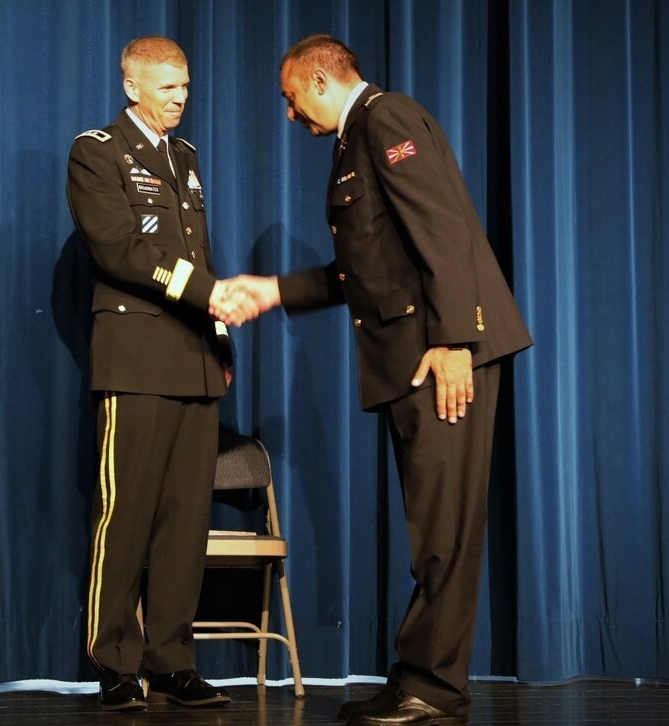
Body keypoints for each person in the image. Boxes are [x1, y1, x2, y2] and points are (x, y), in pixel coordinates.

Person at [222, 35, 532, 725]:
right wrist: (272, 289)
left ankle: (434, 689)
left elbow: (444, 229)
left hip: (442, 353)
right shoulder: (353, 138)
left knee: (444, 529)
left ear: (322, 78)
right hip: (419, 353)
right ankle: (419, 677)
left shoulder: (386, 119)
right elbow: (371, 266)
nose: (290, 112)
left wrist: (454, 339)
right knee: (432, 528)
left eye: (290, 95)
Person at [65, 35, 251, 712]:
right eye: (168, 86)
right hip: (137, 359)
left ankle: (172, 659)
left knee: (183, 522)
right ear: (132, 86)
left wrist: (221, 338)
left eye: (186, 87)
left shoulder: (186, 159)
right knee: (125, 516)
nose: (181, 98)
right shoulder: (98, 151)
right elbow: (119, 249)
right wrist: (209, 294)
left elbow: (201, 249)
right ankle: (114, 661)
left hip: (195, 360)